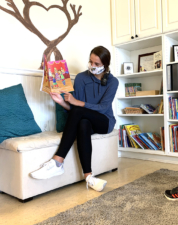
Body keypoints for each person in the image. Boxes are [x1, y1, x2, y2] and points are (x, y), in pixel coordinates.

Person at [30, 46, 119, 192]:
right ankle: (89, 177)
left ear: (105, 65)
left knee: (80, 111)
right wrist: (61, 101)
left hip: (104, 121)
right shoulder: (81, 78)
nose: (93, 66)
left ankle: (58, 161)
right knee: (83, 123)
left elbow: (103, 107)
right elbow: (77, 111)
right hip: (86, 120)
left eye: (97, 64)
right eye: (91, 62)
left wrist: (78, 102)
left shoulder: (112, 82)